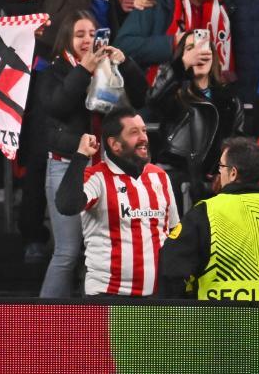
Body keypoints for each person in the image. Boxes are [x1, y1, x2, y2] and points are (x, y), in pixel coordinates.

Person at [38, 11, 147, 298]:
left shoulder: (109, 67)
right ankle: (41, 323)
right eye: (79, 34)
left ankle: (91, 321)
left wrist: (127, 63)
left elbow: (141, 97)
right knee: (68, 251)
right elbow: (58, 106)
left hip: (106, 168)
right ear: (66, 39)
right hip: (66, 167)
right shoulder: (53, 71)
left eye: (91, 34)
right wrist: (84, 70)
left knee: (98, 249)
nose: (87, 40)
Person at [54, 109, 179, 296]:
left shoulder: (159, 177)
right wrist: (81, 156)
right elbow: (66, 205)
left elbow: (173, 229)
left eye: (144, 130)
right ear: (115, 144)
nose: (144, 137)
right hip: (108, 296)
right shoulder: (96, 177)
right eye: (134, 132)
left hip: (156, 297)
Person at [159, 137, 259, 300]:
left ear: (233, 173)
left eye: (221, 166)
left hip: (220, 320)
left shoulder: (205, 213)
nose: (218, 172)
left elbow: (172, 270)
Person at [147, 30, 243, 202]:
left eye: (203, 48)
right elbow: (153, 98)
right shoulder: (173, 95)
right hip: (177, 184)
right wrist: (182, 64)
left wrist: (226, 172)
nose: (198, 53)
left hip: (217, 185)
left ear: (213, 56)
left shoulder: (230, 100)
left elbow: (239, 143)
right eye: (191, 48)